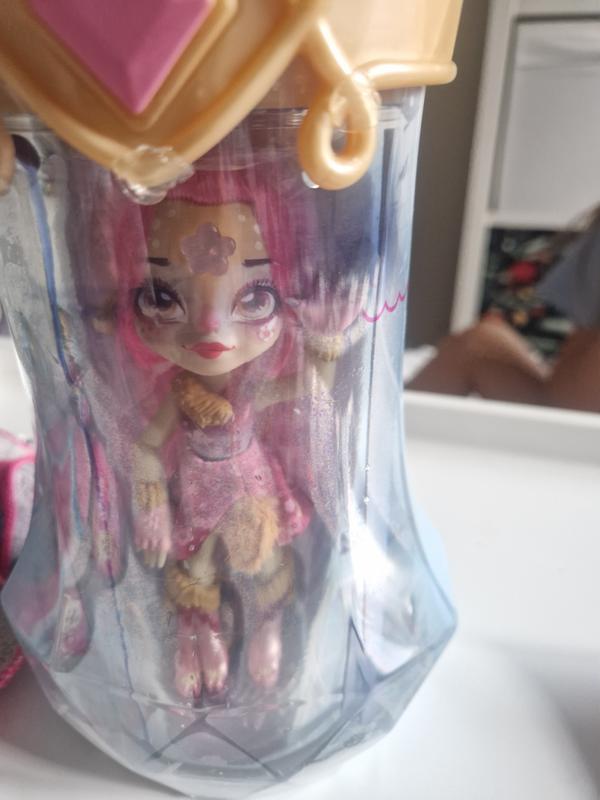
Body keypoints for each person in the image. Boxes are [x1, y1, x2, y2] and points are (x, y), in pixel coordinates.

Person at [408, 209, 600, 413]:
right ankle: (394, 423)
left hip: (575, 417)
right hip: (567, 399)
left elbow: (572, 398)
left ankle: (394, 424)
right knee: (478, 342)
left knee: (474, 346)